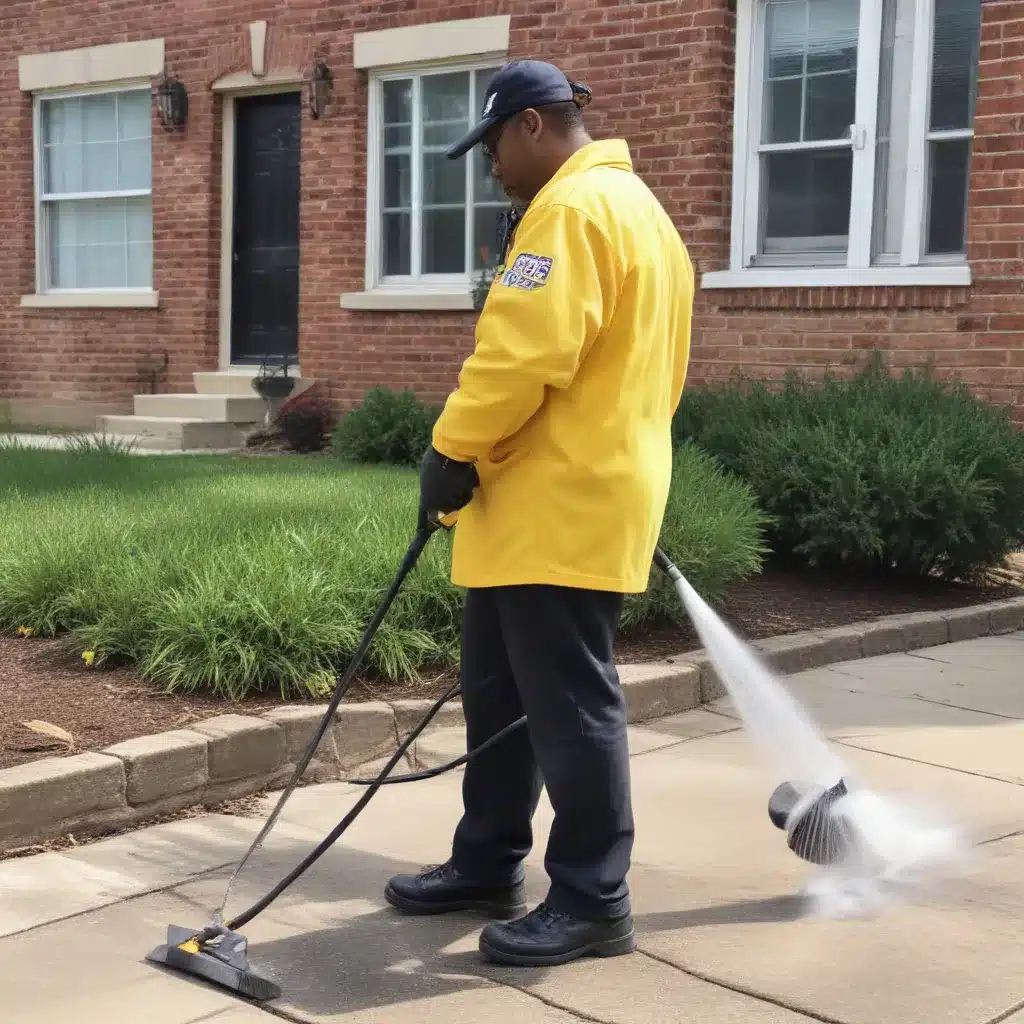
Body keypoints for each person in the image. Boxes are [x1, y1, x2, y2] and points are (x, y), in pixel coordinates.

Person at [384, 58, 694, 967]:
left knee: (567, 705)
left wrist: (450, 449)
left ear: (531, 126)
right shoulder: (645, 216)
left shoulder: (570, 212)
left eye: (492, 150)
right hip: (559, 492)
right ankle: (487, 860)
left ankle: (594, 897)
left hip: (560, 498)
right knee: (502, 696)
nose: (490, 171)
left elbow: (520, 356)